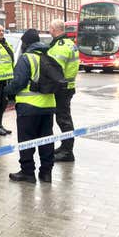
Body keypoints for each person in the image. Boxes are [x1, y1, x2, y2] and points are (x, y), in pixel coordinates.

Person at [4, 28, 55, 184]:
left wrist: (6, 91)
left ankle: (28, 173)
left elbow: (18, 83)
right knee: (46, 141)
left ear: (26, 43)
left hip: (28, 108)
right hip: (48, 106)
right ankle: (46, 173)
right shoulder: (49, 56)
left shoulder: (26, 58)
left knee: (26, 142)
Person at [47, 18, 79, 162]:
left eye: (50, 29)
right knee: (64, 117)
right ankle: (65, 146)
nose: (49, 31)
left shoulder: (59, 46)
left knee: (63, 119)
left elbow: (53, 70)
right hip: (68, 87)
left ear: (54, 30)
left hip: (61, 88)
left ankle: (67, 151)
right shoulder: (69, 43)